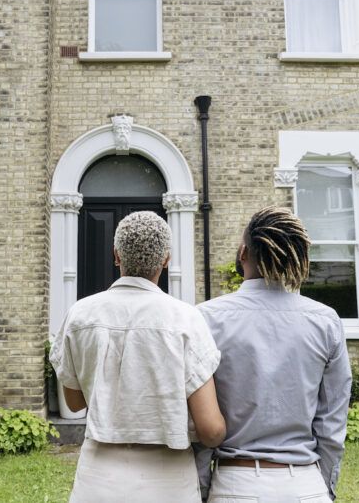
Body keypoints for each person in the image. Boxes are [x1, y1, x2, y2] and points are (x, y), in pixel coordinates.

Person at [51, 211, 226, 503]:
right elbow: (210, 430)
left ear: (116, 255)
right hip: (169, 480)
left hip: (98, 477)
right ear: (166, 260)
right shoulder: (186, 319)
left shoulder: (80, 314)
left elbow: (75, 402)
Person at [197, 206, 352, 502]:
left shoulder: (207, 318)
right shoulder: (326, 320)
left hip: (235, 483)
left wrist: (203, 489)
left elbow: (199, 426)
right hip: (305, 486)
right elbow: (332, 424)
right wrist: (324, 490)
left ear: (243, 253)